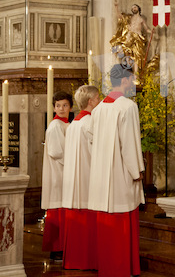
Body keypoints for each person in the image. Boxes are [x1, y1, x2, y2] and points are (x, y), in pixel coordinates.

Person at [88, 64, 145, 277]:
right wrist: (136, 171)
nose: (134, 83)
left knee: (107, 221)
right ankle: (123, 269)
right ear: (124, 80)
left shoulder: (100, 107)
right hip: (120, 173)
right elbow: (129, 144)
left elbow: (92, 139)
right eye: (132, 79)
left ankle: (109, 268)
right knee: (121, 219)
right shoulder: (128, 106)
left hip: (102, 173)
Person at [61, 85, 100, 270]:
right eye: (98, 98)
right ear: (91, 101)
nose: (100, 101)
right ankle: (89, 260)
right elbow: (97, 152)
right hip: (87, 176)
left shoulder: (73, 124)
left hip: (72, 179)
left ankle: (74, 259)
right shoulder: (90, 122)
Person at [41, 91, 72, 261]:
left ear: (70, 107)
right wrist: (74, 164)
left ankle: (63, 247)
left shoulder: (66, 124)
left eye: (65, 105)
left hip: (63, 174)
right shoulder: (55, 126)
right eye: (58, 105)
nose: (61, 108)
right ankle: (57, 249)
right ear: (54, 107)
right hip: (57, 175)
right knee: (57, 212)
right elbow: (56, 152)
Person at [110, 1, 158, 77]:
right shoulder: (129, 17)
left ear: (138, 9)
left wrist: (152, 31)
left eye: (135, 7)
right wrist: (116, 8)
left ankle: (136, 74)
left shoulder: (141, 19)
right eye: (132, 8)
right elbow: (120, 17)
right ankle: (128, 70)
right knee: (126, 53)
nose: (133, 9)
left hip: (138, 38)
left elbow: (146, 29)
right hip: (129, 38)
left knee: (137, 56)